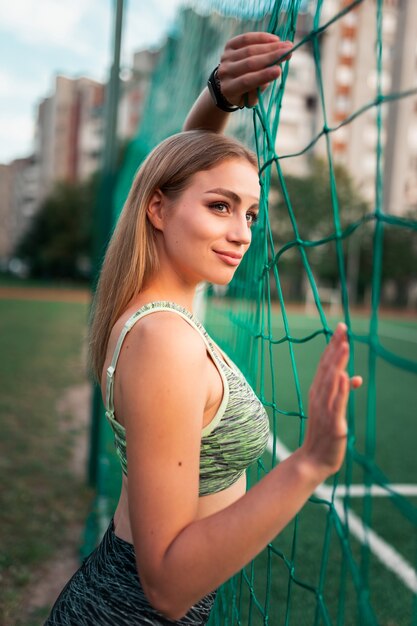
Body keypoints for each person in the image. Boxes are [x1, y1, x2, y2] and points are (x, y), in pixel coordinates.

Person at [45, 32, 362, 625]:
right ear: (158, 211)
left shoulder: (157, 311)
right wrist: (310, 461)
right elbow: (166, 586)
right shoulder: (164, 340)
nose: (242, 232)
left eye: (249, 212)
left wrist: (217, 99)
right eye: (221, 207)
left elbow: (179, 173)